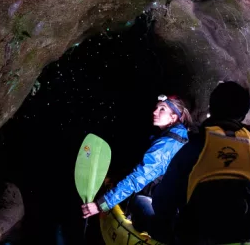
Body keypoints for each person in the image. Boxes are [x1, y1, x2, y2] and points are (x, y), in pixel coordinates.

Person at [152, 82, 250, 244]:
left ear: (211, 109)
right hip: (242, 237)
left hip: (196, 239)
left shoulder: (193, 148)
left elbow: (162, 204)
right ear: (243, 114)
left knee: (142, 205)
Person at [81, 94, 191, 232]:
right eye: (156, 108)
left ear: (173, 117)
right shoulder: (175, 137)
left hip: (165, 211)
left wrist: (100, 205)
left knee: (136, 200)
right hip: (170, 203)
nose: (154, 112)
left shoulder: (167, 144)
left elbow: (138, 178)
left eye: (162, 109)